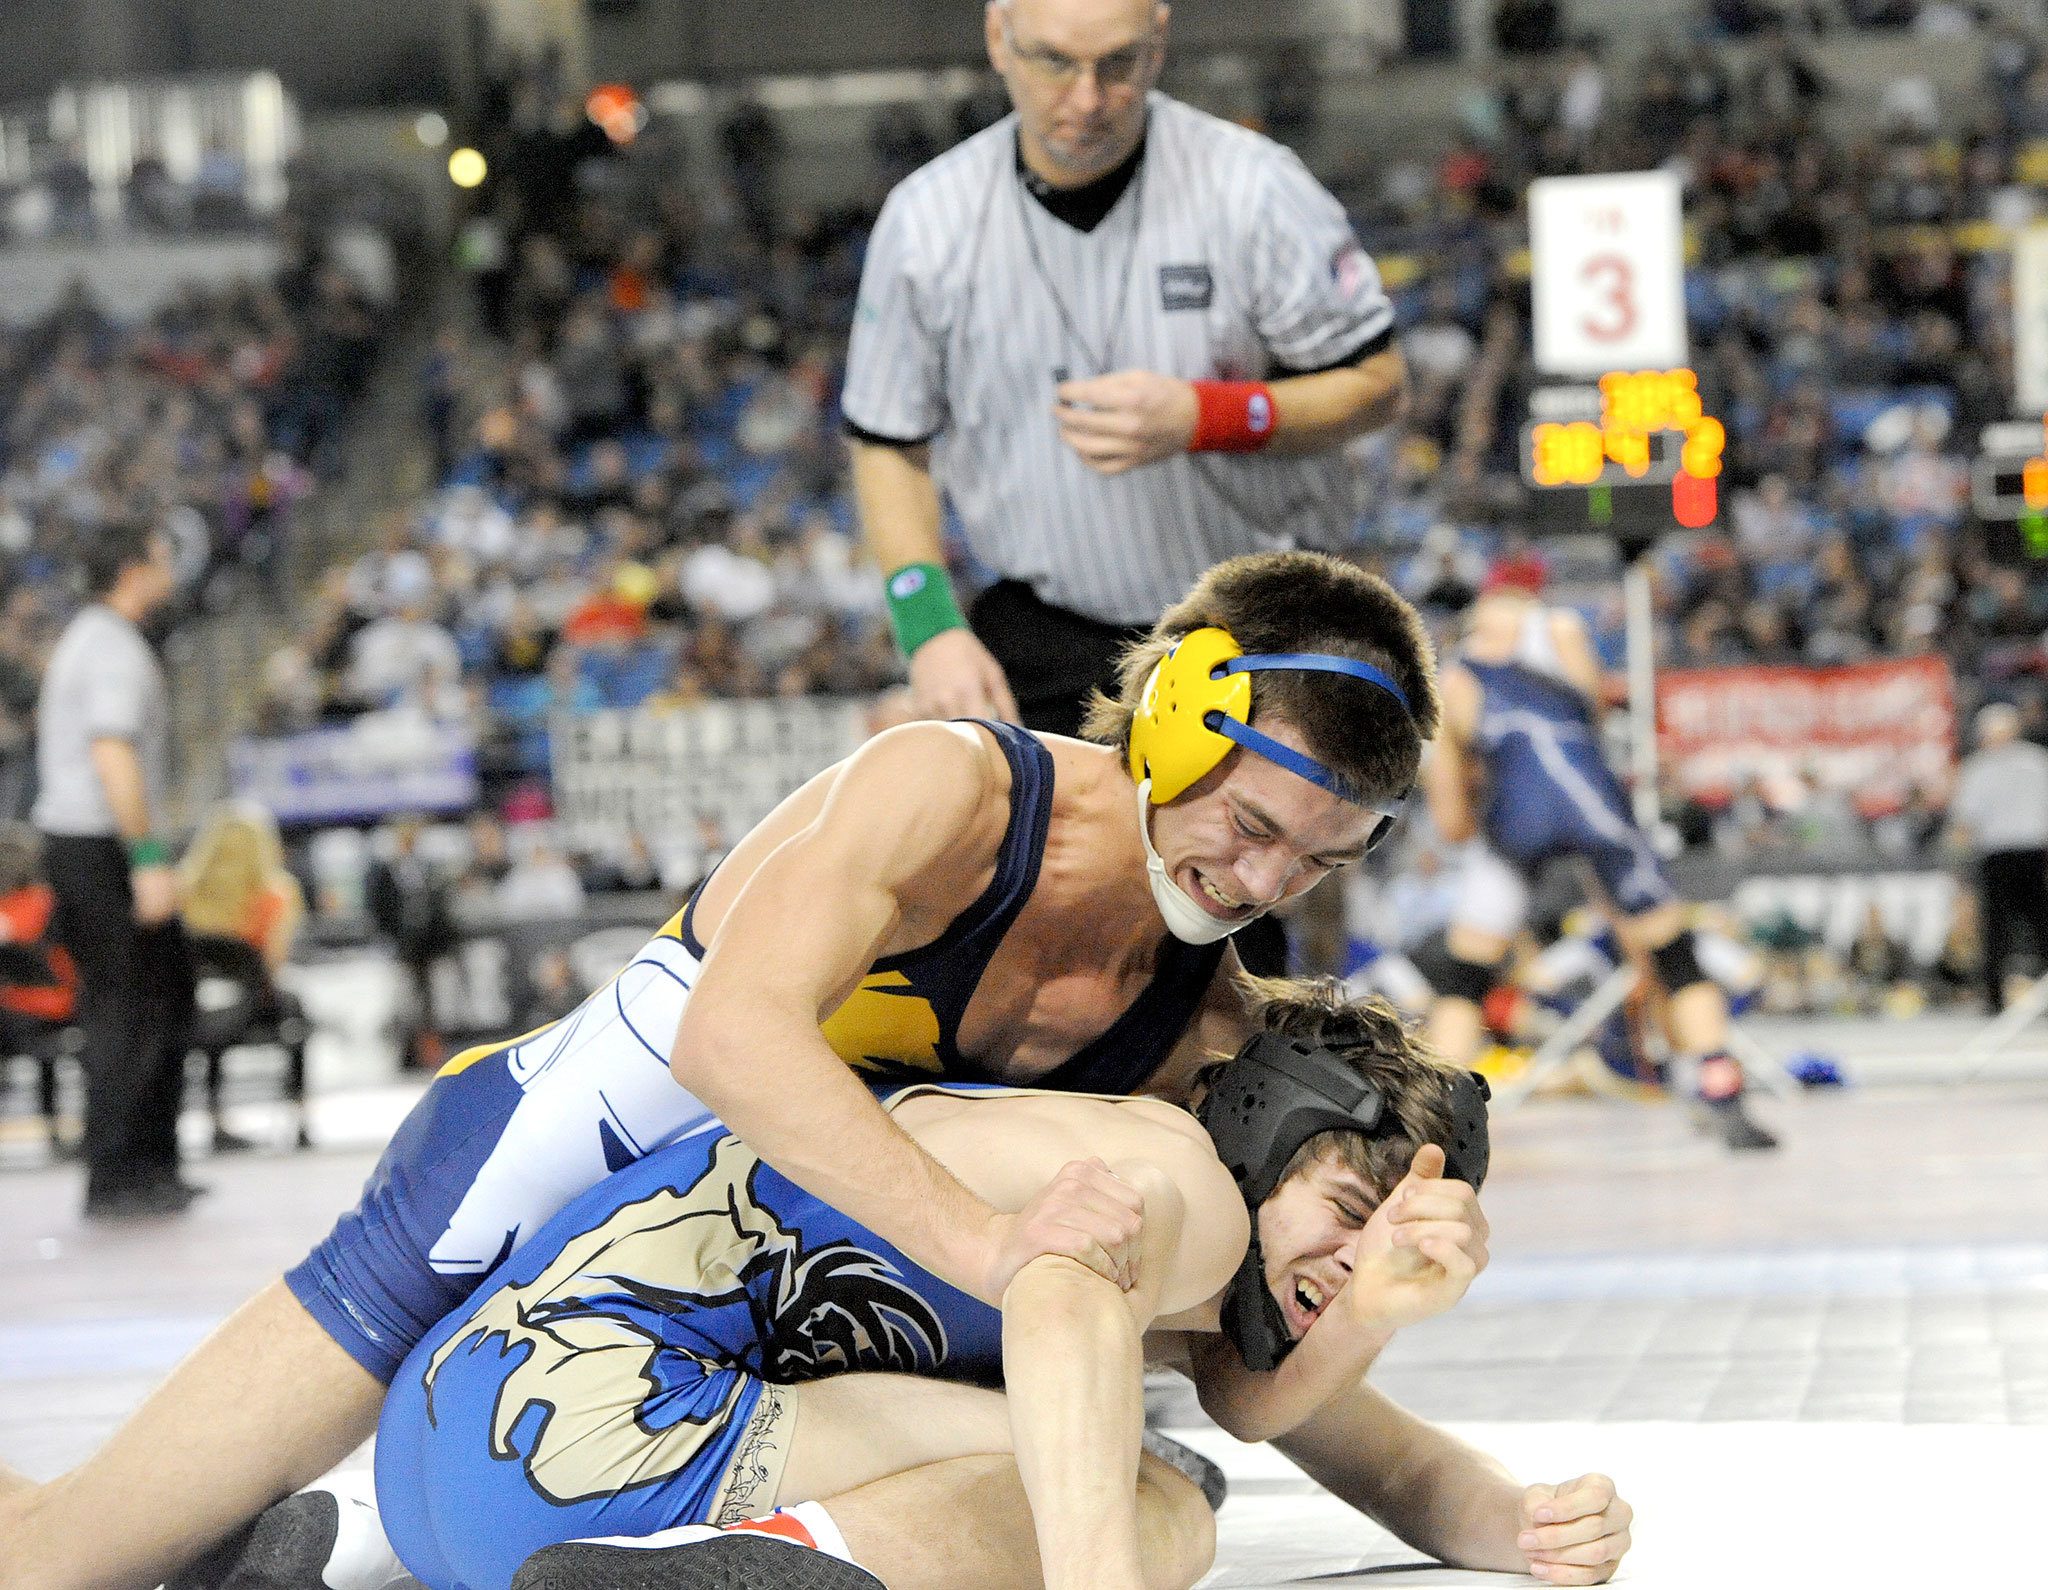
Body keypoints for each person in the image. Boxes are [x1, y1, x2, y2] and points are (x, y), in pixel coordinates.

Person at [0, 551, 1440, 1590]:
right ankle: (237, 1544)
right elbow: (729, 1037)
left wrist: (1469, 1495)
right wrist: (988, 1242)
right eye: (1251, 824)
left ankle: (302, 1560)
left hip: (727, 1283)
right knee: (58, 1557)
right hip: (526, 1183)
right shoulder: (952, 793)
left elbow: (1233, 1326)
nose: (1260, 880)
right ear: (1176, 716)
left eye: (1315, 860)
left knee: (1103, 1430)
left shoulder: (1201, 1012)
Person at [373, 984, 1631, 1590]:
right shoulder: (1176, 1183)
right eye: (1347, 1221)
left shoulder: (1200, 1252)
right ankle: (735, 1573)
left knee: (1132, 1458)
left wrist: (1520, 1525)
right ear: (1258, 1133)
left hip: (445, 1455)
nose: (1354, 1267)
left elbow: (1352, 1446)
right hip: (581, 1444)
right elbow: (1063, 1290)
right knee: (1145, 1496)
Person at [843, 0, 1408, 737]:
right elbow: (888, 440)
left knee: (1252, 853)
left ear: (1158, 44)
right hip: (1046, 636)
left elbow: (1378, 386)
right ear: (997, 39)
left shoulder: (1254, 187)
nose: (1085, 99)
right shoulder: (927, 221)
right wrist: (928, 630)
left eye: (1117, 64)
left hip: (1259, 626)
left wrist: (1206, 417)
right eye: (1053, 61)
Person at [1417, 573, 1779, 1150]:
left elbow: (1454, 825)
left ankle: (1422, 1119)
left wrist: (1488, 772)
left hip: (1513, 820)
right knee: (1673, 953)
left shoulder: (1450, 684)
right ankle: (1717, 1086)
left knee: (1465, 974)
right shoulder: (1554, 627)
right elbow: (1591, 705)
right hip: (1591, 805)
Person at [30, 520, 200, 1219]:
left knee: (159, 992)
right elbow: (113, 754)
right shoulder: (111, 650)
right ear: (132, 568)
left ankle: (146, 1161)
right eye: (160, 557)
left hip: (87, 842)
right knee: (126, 1005)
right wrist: (149, 858)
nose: (169, 569)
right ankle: (120, 1172)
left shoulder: (95, 639)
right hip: (99, 845)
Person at [1945, 701, 2048, 1013]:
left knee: (2022, 929)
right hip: (2008, 854)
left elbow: (1963, 824)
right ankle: (1994, 998)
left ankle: (1996, 1000)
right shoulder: (2033, 761)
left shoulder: (1988, 767)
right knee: (2005, 930)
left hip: (2017, 854)